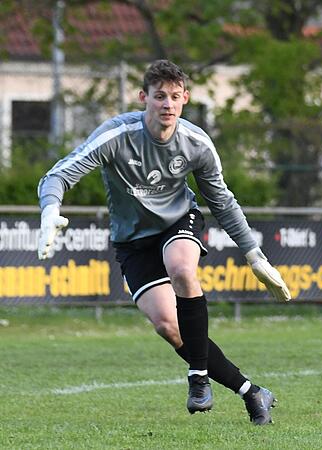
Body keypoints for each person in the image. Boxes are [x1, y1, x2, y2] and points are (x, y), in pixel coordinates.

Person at [37, 59, 291, 425]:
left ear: (185, 98)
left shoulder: (196, 142)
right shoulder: (117, 135)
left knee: (182, 269)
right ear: (144, 98)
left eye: (175, 96)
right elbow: (60, 173)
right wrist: (50, 211)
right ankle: (253, 392)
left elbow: (221, 201)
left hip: (178, 222)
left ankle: (198, 377)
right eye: (159, 96)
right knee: (168, 327)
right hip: (132, 241)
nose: (167, 104)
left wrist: (254, 255)